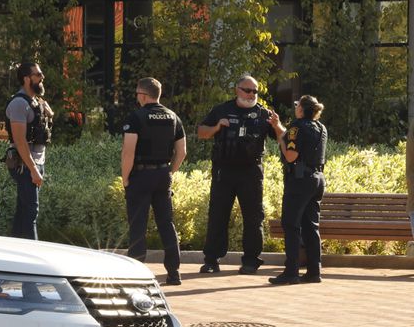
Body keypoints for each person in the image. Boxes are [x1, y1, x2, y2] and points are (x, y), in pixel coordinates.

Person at [197, 75, 280, 275]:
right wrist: (217, 127)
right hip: (223, 171)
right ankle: (211, 260)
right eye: (247, 90)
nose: (251, 95)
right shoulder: (222, 110)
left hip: (251, 172)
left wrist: (277, 125)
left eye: (255, 91)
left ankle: (251, 261)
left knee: (253, 217)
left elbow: (282, 138)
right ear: (237, 90)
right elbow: (201, 132)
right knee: (217, 215)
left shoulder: (263, 114)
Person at [121, 77, 187, 285]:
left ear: (143, 94)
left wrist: (125, 178)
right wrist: (170, 172)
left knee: (138, 225)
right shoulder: (173, 117)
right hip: (162, 175)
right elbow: (182, 152)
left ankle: (136, 274)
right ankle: (174, 273)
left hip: (140, 175)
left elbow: (128, 152)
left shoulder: (136, 117)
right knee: (166, 224)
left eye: (137, 94)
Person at [268, 95, 327, 285]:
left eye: (297, 105)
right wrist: (279, 128)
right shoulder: (320, 128)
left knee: (291, 224)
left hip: (299, 180)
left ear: (301, 109)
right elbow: (294, 137)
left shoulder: (296, 127)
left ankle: (291, 272)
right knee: (311, 226)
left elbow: (291, 155)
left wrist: (281, 142)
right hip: (317, 179)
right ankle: (314, 271)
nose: (295, 108)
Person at [5, 61, 53, 240]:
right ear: (27, 79)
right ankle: (33, 255)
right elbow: (19, 141)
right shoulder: (19, 103)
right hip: (24, 164)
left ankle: (13, 252)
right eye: (38, 75)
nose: (42, 78)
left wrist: (48, 112)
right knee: (31, 211)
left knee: (24, 210)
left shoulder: (35, 101)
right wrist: (33, 169)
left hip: (35, 162)